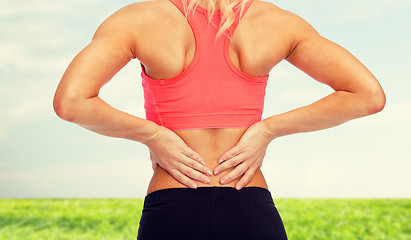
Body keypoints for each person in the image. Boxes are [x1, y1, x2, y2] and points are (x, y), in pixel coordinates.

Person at [53, 0, 386, 239]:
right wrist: (267, 130)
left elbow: (71, 102)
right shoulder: (276, 21)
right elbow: (367, 95)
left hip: (173, 204)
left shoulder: (139, 19)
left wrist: (155, 136)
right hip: (249, 203)